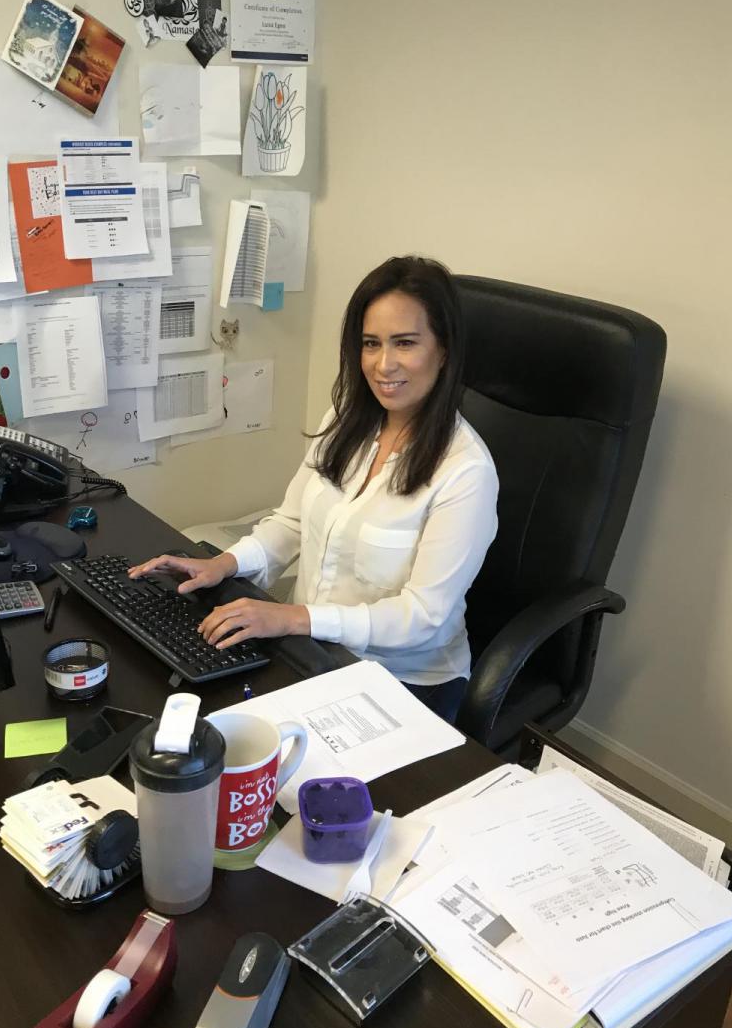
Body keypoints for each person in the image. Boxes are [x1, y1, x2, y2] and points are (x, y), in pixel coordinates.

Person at [129, 256, 499, 721]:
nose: (384, 364)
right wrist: (224, 564)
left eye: (405, 343)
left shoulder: (466, 472)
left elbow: (422, 617)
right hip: (313, 652)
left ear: (443, 351)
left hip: (400, 681)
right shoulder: (346, 423)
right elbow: (291, 521)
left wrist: (293, 617)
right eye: (371, 343)